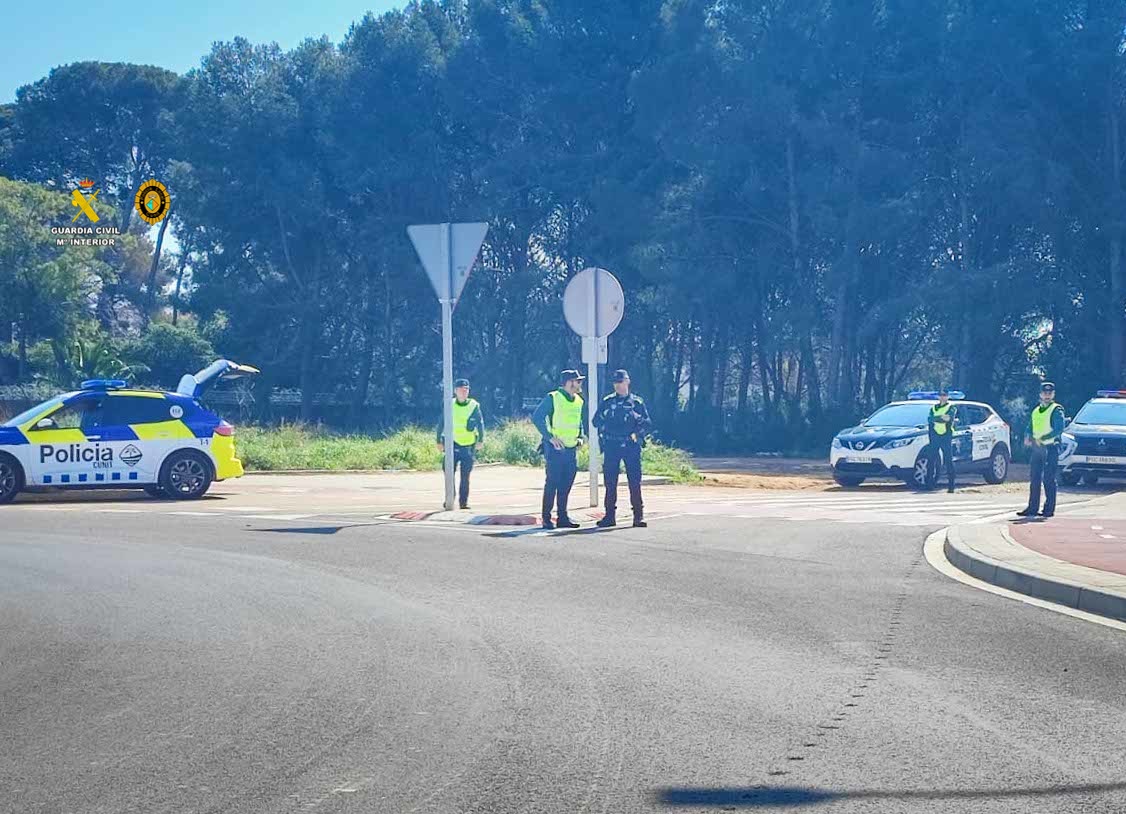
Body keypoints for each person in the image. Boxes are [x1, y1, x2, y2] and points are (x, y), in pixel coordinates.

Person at [593, 369, 652, 528]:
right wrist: (607, 424)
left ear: (628, 382)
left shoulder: (637, 402)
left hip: (631, 446)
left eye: (621, 382)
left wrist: (637, 430)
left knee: (634, 481)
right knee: (610, 482)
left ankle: (638, 516)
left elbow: (647, 423)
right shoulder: (608, 402)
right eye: (616, 383)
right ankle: (609, 516)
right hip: (612, 445)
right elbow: (595, 421)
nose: (619, 386)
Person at [531, 369, 587, 529]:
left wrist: (581, 437)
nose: (579, 384)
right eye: (578, 381)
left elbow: (579, 421)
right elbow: (537, 417)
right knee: (552, 483)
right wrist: (550, 437)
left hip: (571, 448)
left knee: (566, 484)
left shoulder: (578, 401)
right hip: (555, 449)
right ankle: (546, 518)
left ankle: (563, 517)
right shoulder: (553, 398)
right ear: (569, 382)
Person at [1018, 381, 1065, 518]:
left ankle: (1049, 509)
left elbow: (1059, 429)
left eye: (1050, 393)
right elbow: (1030, 426)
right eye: (1045, 393)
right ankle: (1032, 508)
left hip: (1050, 448)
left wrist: (1044, 438)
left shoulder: (1057, 409)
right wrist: (1027, 436)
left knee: (1049, 479)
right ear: (1040, 394)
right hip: (1037, 448)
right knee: (1035, 478)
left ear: (1053, 394)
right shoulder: (1036, 410)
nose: (1047, 396)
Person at [436, 377, 484, 510]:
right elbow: (441, 422)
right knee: (448, 472)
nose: (464, 392)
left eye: (466, 390)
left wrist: (480, 440)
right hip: (452, 444)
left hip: (468, 445)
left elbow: (480, 424)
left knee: (465, 475)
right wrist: (438, 440)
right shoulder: (449, 404)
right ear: (455, 391)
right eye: (462, 390)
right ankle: (450, 499)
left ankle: (464, 502)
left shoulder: (474, 405)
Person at [925, 388, 957, 493]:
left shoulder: (951, 407)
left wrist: (936, 418)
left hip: (946, 436)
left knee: (948, 461)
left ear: (948, 396)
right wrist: (940, 418)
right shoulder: (933, 408)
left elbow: (948, 418)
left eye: (945, 395)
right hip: (935, 436)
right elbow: (929, 419)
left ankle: (951, 487)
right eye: (941, 395)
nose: (943, 397)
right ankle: (929, 485)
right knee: (931, 460)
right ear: (938, 397)